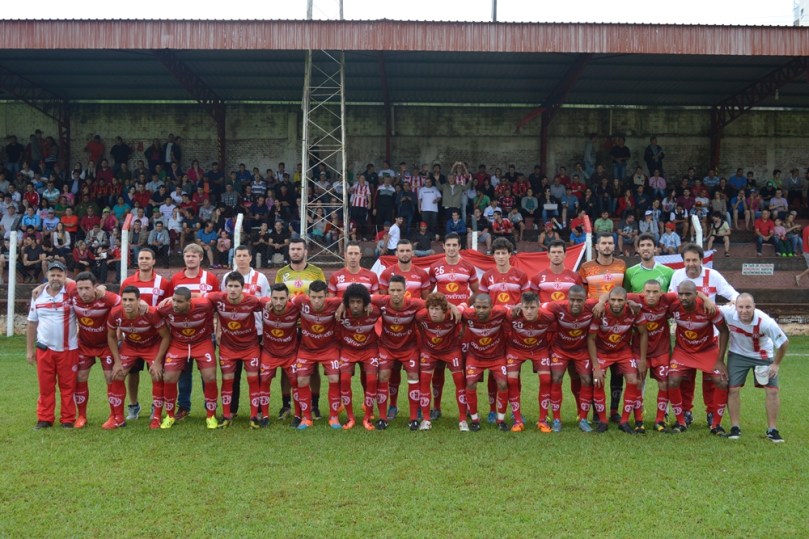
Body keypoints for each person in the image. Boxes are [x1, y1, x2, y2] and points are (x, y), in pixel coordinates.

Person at [669, 242, 739, 427]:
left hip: (711, 335)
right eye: (687, 260)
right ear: (683, 261)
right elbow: (672, 299)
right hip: (686, 335)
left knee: (711, 379)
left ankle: (711, 413)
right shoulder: (677, 275)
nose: (691, 264)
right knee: (685, 378)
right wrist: (705, 297)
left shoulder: (713, 276)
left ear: (702, 260)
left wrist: (728, 306)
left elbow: (733, 296)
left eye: (694, 260)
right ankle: (686, 412)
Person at [719, 293, 789, 442]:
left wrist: (775, 364)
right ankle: (735, 428)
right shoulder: (728, 312)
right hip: (737, 355)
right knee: (732, 389)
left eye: (748, 307)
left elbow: (784, 343)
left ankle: (772, 430)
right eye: (741, 307)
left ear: (754, 307)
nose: (744, 311)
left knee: (772, 391)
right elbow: (710, 307)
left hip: (762, 356)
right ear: (735, 307)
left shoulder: (766, 322)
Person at [666, 281, 730, 435]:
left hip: (707, 349)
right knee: (673, 380)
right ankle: (681, 421)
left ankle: (716, 424)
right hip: (683, 350)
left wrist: (720, 360)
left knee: (721, 381)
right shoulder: (673, 305)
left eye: (688, 294)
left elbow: (724, 331)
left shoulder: (708, 308)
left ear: (696, 294)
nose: (683, 297)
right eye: (681, 294)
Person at [428, 233, 479, 420]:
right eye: (448, 245)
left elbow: (477, 291)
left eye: (454, 245)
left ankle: (465, 407)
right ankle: (436, 407)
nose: (451, 248)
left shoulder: (468, 267)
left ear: (459, 247)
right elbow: (427, 293)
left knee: (463, 368)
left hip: (461, 322)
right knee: (438, 366)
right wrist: (444, 306)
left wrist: (464, 305)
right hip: (442, 322)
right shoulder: (435, 267)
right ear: (443, 246)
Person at [275, 238, 326, 421]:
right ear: (289, 251)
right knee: (286, 367)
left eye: (299, 249)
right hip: (288, 327)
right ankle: (286, 405)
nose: (295, 252)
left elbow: (322, 298)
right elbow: (277, 298)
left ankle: (314, 405)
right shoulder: (282, 273)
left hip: (309, 327)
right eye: (292, 249)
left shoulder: (316, 272)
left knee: (313, 368)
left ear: (306, 252)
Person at [106, 286, 171, 429]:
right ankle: (118, 418)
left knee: (156, 374)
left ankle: (156, 417)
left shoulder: (151, 313)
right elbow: (111, 337)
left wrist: (158, 361)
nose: (127, 303)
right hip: (130, 346)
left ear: (139, 301)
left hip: (152, 345)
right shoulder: (115, 313)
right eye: (124, 300)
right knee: (117, 375)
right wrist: (117, 362)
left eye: (131, 300)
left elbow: (166, 336)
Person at [578, 232, 627, 422]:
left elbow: (625, 292)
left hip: (618, 323)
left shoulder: (622, 266)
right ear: (596, 246)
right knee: (595, 368)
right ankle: (598, 413)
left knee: (617, 369)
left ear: (613, 245)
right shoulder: (586, 267)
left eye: (610, 243)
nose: (606, 246)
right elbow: (582, 296)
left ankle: (614, 411)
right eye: (603, 243)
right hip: (595, 321)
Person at [168, 244, 220, 420]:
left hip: (205, 334)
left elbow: (216, 304)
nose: (190, 259)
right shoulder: (175, 279)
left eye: (193, 256)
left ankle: (210, 408)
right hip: (181, 336)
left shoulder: (210, 278)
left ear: (201, 258)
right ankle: (183, 407)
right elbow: (171, 304)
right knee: (184, 374)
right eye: (187, 255)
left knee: (208, 374)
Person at [119, 247, 172, 420]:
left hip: (155, 337)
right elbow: (121, 309)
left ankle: (155, 407)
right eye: (141, 258)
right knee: (132, 373)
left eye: (147, 258)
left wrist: (151, 311)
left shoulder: (163, 283)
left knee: (156, 373)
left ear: (153, 261)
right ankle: (133, 406)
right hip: (133, 338)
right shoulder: (127, 282)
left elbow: (168, 307)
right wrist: (120, 332)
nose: (144, 261)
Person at [207, 272, 265, 428]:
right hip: (228, 348)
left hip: (250, 347)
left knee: (253, 379)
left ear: (242, 288)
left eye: (236, 286)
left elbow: (268, 302)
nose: (232, 290)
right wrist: (171, 298)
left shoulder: (252, 301)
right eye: (230, 286)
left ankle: (254, 416)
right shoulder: (217, 298)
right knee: (228, 381)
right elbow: (198, 296)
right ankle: (227, 415)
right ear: (225, 287)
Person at [157, 287, 221, 429]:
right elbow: (151, 314)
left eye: (179, 302)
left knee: (210, 377)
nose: (175, 304)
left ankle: (211, 415)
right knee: (169, 378)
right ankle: (170, 415)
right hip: (178, 344)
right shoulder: (166, 308)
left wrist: (218, 330)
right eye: (173, 300)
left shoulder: (204, 305)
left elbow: (222, 307)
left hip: (202, 342)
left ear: (189, 302)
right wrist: (142, 304)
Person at [588, 287, 648, 434]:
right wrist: (595, 366)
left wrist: (642, 360)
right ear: (609, 300)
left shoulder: (633, 311)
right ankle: (602, 421)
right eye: (613, 300)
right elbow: (591, 339)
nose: (616, 303)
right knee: (597, 381)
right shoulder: (600, 311)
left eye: (620, 300)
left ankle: (624, 421)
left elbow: (643, 333)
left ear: (626, 301)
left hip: (623, 351)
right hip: (602, 352)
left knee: (633, 380)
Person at [27, 261, 79, 429]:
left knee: (68, 387)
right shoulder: (38, 296)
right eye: (52, 275)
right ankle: (45, 418)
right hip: (44, 349)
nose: (55, 278)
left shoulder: (71, 293)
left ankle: (68, 419)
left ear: (65, 277)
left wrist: (47, 283)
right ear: (47, 276)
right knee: (45, 386)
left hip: (68, 350)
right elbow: (32, 323)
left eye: (59, 275)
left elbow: (81, 284)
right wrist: (29, 350)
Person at [69, 272, 121, 429]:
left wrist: (119, 329)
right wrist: (42, 286)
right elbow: (59, 277)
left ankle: (114, 416)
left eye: (87, 288)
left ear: (95, 287)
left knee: (110, 377)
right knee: (80, 376)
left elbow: (122, 305)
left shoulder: (106, 297)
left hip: (106, 345)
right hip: (84, 345)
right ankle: (82, 416)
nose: (83, 292)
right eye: (80, 288)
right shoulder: (73, 295)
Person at [290, 280, 343, 429]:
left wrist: (343, 305)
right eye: (313, 297)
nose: (317, 301)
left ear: (326, 295)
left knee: (334, 378)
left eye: (320, 297)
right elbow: (287, 302)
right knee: (301, 381)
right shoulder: (301, 301)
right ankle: (306, 418)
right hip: (306, 349)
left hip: (328, 348)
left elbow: (348, 297)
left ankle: (334, 417)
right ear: (308, 295)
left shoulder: (334, 302)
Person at [336, 283, 383, 430]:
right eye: (352, 302)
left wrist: (372, 302)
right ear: (347, 303)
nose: (355, 305)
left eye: (359, 302)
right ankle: (350, 418)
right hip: (348, 350)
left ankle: (367, 417)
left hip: (369, 350)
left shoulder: (374, 311)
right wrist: (342, 305)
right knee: (344, 380)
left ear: (365, 302)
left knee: (371, 380)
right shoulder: (341, 312)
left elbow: (387, 300)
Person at [507, 292, 555, 432]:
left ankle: (542, 421)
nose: (529, 311)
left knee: (546, 379)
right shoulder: (511, 315)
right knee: (511, 381)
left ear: (539, 306)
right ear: (520, 306)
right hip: (516, 350)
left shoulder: (548, 316)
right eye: (526, 307)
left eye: (532, 307)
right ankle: (517, 421)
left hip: (539, 350)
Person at [462, 294, 510, 432]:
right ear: (474, 307)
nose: (481, 310)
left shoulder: (500, 312)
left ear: (491, 307)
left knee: (502, 384)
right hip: (475, 357)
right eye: (478, 307)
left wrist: (518, 307)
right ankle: (475, 419)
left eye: (484, 307)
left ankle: (500, 420)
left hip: (496, 357)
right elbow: (457, 310)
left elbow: (513, 310)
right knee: (470, 383)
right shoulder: (468, 315)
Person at [259, 283, 300, 427]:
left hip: (290, 353)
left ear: (288, 298)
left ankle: (298, 415)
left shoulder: (295, 307)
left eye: (282, 298)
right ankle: (264, 416)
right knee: (264, 380)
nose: (278, 302)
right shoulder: (263, 304)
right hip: (269, 353)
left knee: (296, 381)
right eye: (275, 298)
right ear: (269, 298)